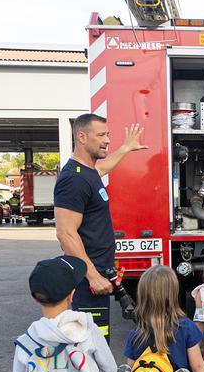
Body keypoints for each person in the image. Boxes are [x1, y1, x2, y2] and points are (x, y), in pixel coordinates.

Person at [53, 114, 147, 342]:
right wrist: (93, 276)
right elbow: (65, 233)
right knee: (90, 344)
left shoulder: (87, 172)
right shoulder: (73, 179)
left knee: (98, 341)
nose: (107, 140)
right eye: (101, 135)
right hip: (88, 281)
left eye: (108, 135)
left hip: (99, 275)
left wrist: (126, 148)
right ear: (82, 137)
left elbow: (103, 168)